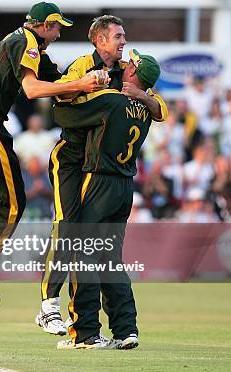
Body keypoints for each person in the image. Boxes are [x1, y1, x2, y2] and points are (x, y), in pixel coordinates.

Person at [0, 2, 109, 306]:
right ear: (43, 25)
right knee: (11, 202)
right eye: (55, 28)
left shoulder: (23, 42)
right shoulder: (26, 42)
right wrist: (84, 83)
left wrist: (88, 79)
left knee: (7, 200)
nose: (58, 34)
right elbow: (32, 90)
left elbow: (59, 84)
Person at [36, 15, 168, 336]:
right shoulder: (82, 64)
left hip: (96, 170)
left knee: (90, 249)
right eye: (119, 37)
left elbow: (158, 107)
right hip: (73, 159)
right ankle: (50, 304)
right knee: (72, 229)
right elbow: (60, 102)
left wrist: (135, 97)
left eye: (124, 36)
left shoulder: (124, 78)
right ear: (99, 40)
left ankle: (88, 331)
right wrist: (83, 85)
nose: (124, 42)